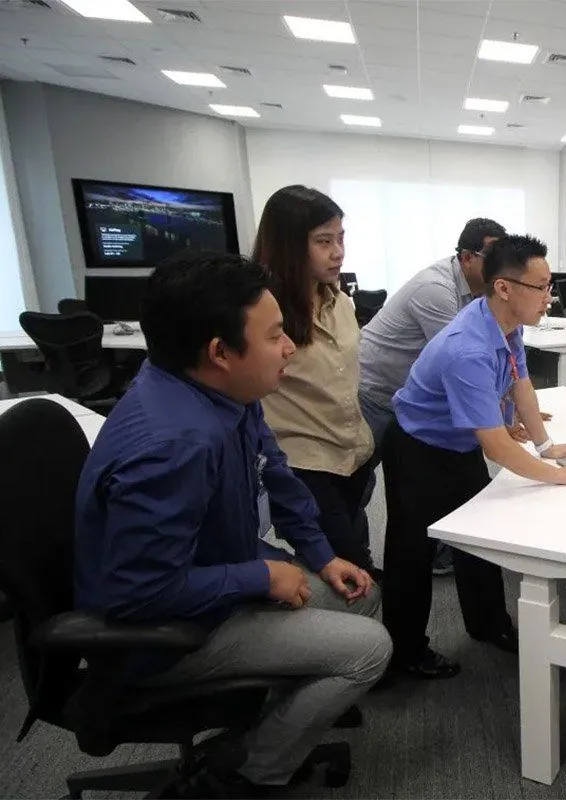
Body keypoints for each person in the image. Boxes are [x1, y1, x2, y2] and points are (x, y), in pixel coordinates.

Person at [74, 251, 391, 792]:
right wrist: (260, 577)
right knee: (370, 649)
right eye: (274, 336)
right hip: (161, 634)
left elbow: (277, 472)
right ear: (220, 352)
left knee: (360, 595)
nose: (289, 347)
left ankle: (270, 721)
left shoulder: (221, 390)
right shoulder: (175, 445)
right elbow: (137, 594)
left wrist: (321, 555)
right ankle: (244, 772)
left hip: (212, 569)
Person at [382, 234, 566, 679]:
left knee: (479, 538)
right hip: (418, 448)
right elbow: (498, 447)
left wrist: (545, 446)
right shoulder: (467, 348)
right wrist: (562, 475)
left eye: (549, 285)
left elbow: (521, 384)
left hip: (457, 443)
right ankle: (404, 654)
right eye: (540, 287)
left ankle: (488, 624)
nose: (549, 297)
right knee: (412, 553)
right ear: (504, 288)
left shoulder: (506, 324)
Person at [358, 218, 508, 577]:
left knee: (435, 484)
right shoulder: (436, 290)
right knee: (358, 484)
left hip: (407, 396)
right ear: (467, 257)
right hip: (376, 392)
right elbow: (465, 365)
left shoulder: (479, 293)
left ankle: (439, 553)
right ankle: (354, 566)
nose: (501, 267)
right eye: (493, 257)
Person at [253, 185, 377, 574]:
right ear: (289, 246)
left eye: (341, 238)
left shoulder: (339, 300)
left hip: (352, 453)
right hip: (306, 464)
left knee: (357, 552)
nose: (338, 252)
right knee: (348, 570)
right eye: (324, 241)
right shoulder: (262, 313)